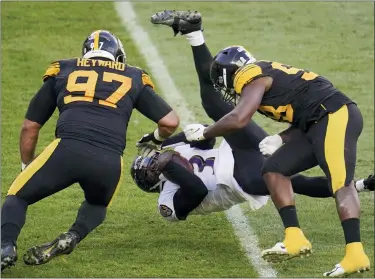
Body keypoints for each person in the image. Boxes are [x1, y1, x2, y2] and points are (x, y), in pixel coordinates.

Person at [150, 10, 371, 277]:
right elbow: (304, 110)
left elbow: (240, 118)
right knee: (274, 169)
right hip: (317, 120)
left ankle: (355, 254)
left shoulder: (250, 75)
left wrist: (206, 132)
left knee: (341, 184)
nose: (230, 91)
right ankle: (294, 237)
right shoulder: (261, 73)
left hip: (335, 117)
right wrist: (281, 137)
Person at [1, 30, 179, 271]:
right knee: (97, 205)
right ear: (117, 56)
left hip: (67, 148)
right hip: (109, 160)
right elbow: (170, 121)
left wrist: (26, 167)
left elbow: (30, 126)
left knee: (18, 196)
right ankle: (73, 235)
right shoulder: (134, 76)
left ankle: (6, 247)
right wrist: (154, 138)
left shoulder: (63, 70)